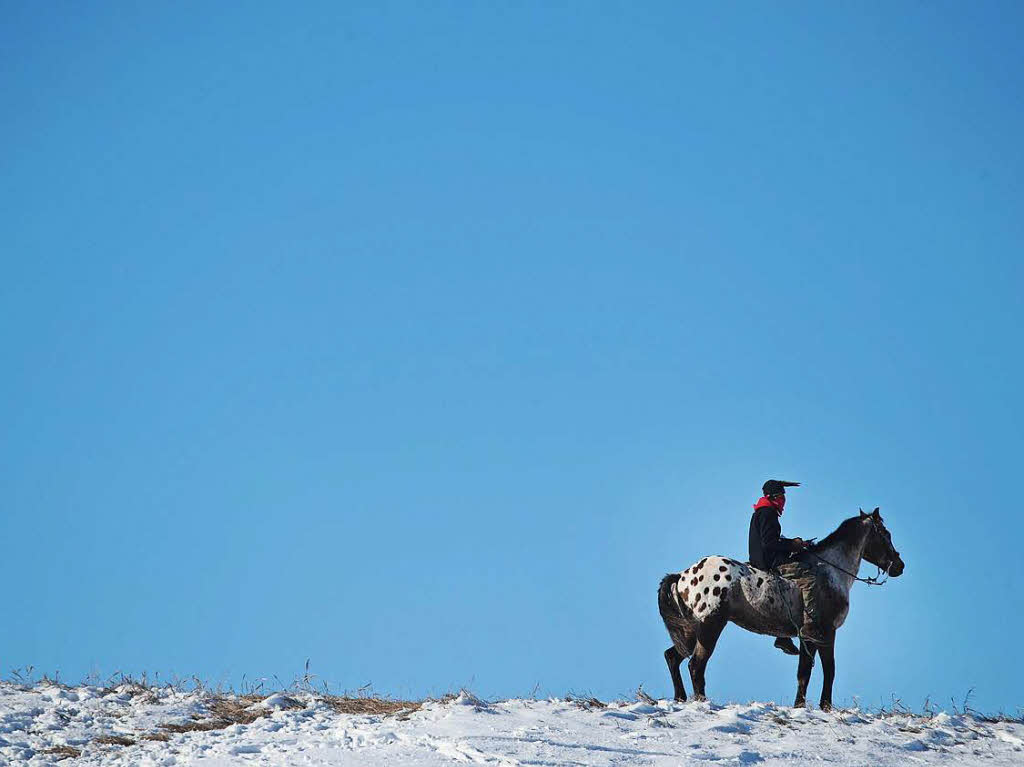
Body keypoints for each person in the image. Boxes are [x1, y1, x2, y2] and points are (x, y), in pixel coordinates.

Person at [748, 479, 824, 654]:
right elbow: (769, 543)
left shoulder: (761, 511)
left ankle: (784, 637)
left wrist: (794, 543)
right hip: (770, 562)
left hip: (762, 558)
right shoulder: (768, 513)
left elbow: (770, 540)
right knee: (809, 577)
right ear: (773, 497)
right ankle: (809, 625)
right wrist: (793, 545)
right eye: (782, 497)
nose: (784, 501)